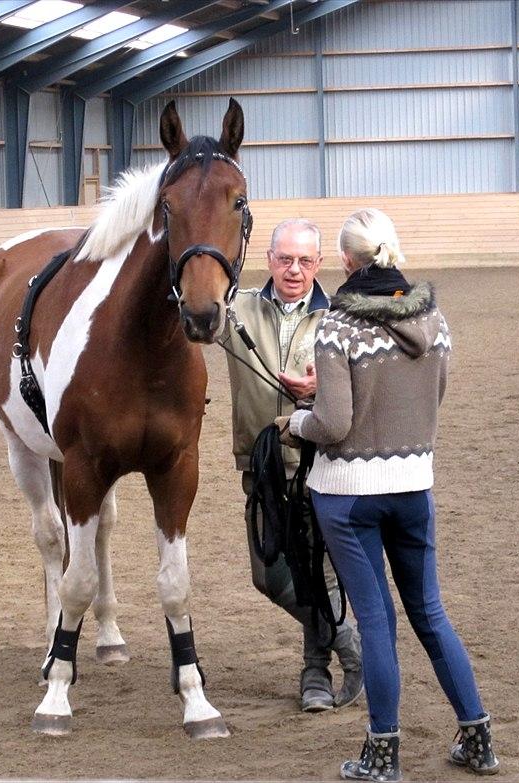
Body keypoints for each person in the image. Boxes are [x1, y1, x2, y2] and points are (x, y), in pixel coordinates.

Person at [279, 208, 499, 780]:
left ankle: (382, 751)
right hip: (414, 488)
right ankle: (477, 736)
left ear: (346, 261)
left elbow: (332, 423)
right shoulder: (437, 319)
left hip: (349, 496)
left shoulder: (338, 327)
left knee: (376, 620)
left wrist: (294, 422)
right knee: (430, 613)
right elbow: (434, 398)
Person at [220, 218, 363, 712]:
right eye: (285, 259)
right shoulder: (237, 309)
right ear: (269, 260)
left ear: (319, 264)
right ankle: (348, 644)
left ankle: (315, 676)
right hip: (260, 468)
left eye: (304, 260)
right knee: (269, 574)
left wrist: (320, 390)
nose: (294, 270)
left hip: (322, 462)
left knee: (318, 572)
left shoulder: (340, 317)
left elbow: (365, 385)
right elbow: (189, 318)